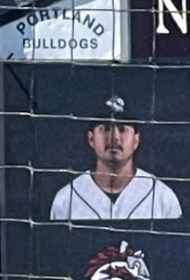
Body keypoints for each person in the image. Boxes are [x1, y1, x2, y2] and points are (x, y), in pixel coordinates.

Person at [50, 94, 182, 220]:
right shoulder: (67, 198)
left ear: (136, 140)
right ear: (91, 138)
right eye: (105, 128)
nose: (114, 137)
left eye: (123, 129)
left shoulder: (162, 197)